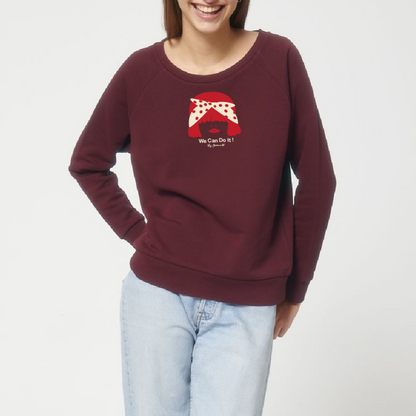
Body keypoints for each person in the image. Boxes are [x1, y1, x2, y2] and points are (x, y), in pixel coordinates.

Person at [68, 0, 337, 414]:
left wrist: (295, 286)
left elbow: (319, 180)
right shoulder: (140, 73)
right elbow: (87, 163)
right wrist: (139, 233)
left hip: (246, 304)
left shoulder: (278, 60)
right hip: (156, 298)